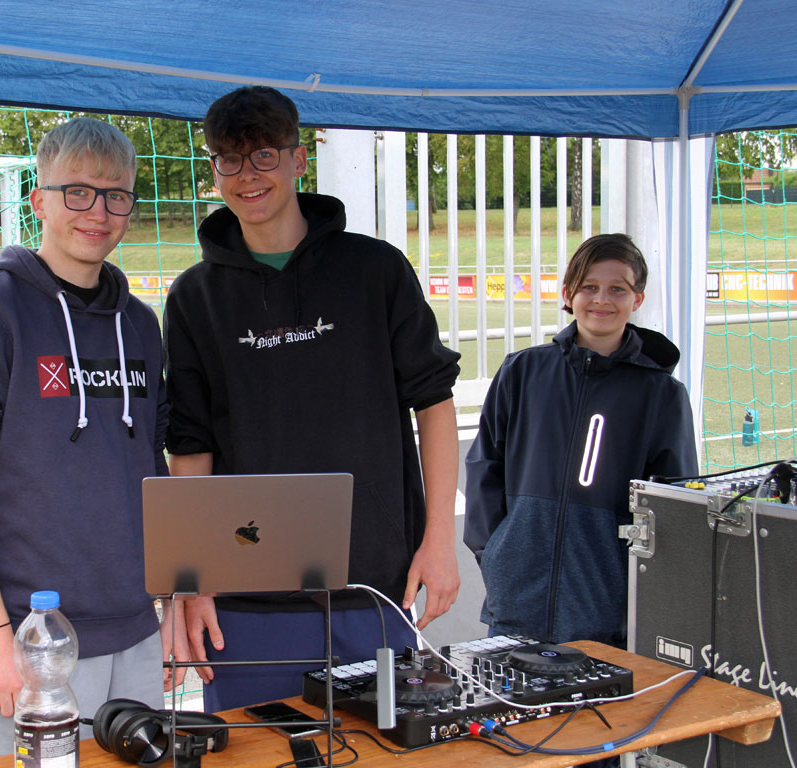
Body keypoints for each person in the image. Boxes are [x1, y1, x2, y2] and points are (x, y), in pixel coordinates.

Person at [163, 86, 462, 712]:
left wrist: (439, 541)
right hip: (246, 603)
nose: (247, 175)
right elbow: (190, 445)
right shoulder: (194, 297)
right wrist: (191, 580)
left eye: (264, 155)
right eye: (229, 159)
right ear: (214, 171)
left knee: (381, 749)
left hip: (372, 589)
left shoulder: (376, 270)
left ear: (299, 160)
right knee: (256, 753)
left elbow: (433, 402)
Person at [0, 117, 171, 761]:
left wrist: (170, 603)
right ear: (39, 200)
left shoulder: (141, 326)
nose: (98, 212)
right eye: (78, 192)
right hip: (31, 642)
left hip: (136, 632)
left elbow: (152, 466)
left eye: (116, 195)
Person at [464, 233, 699, 649]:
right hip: (515, 605)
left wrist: (632, 585)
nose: (601, 299)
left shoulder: (662, 395)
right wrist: (497, 553)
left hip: (606, 614)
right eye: (589, 286)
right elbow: (485, 466)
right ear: (568, 293)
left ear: (637, 299)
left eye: (617, 289)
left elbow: (675, 504)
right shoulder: (523, 372)